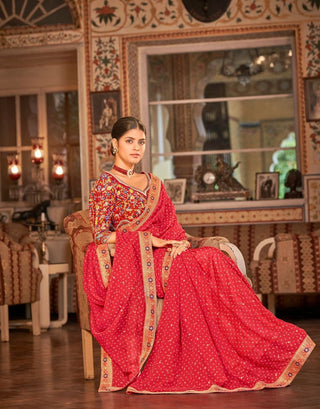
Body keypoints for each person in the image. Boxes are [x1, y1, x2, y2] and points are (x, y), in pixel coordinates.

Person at [83, 116, 315, 394]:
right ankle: (263, 342)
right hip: (139, 264)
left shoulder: (153, 182)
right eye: (129, 141)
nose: (136, 147)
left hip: (169, 252)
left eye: (141, 142)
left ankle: (261, 345)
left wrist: (179, 243)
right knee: (205, 261)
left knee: (213, 258)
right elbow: (99, 236)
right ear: (114, 144)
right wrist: (150, 241)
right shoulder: (105, 185)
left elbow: (173, 227)